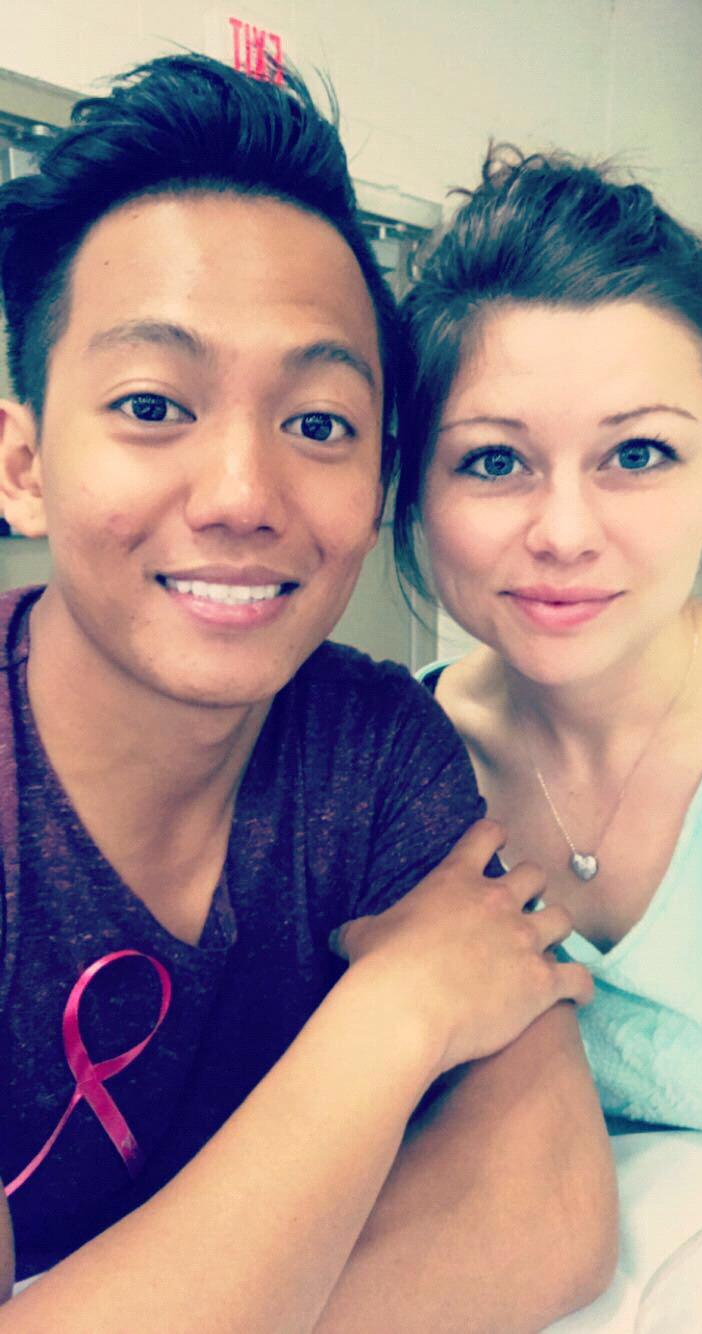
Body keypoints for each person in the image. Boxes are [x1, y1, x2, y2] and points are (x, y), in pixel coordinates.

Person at [0, 61, 615, 1331]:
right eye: (152, 404)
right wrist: (393, 1014)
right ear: (24, 465)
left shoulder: (374, 747)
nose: (242, 494)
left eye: (320, 423)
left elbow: (550, 1205)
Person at [395, 146, 702, 1138]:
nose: (564, 532)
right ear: (414, 489)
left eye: (638, 452)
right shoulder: (387, 770)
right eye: (493, 460)